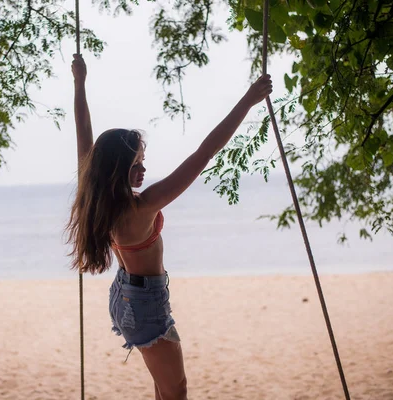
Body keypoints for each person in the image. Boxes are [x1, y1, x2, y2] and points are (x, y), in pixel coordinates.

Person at [66, 54, 272, 400]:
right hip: (145, 302)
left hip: (128, 295)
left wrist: (79, 83)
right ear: (116, 168)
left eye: (143, 162)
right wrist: (248, 101)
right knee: (176, 390)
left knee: (166, 387)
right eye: (135, 164)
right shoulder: (141, 207)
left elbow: (83, 131)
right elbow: (204, 153)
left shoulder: (98, 197)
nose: (143, 171)